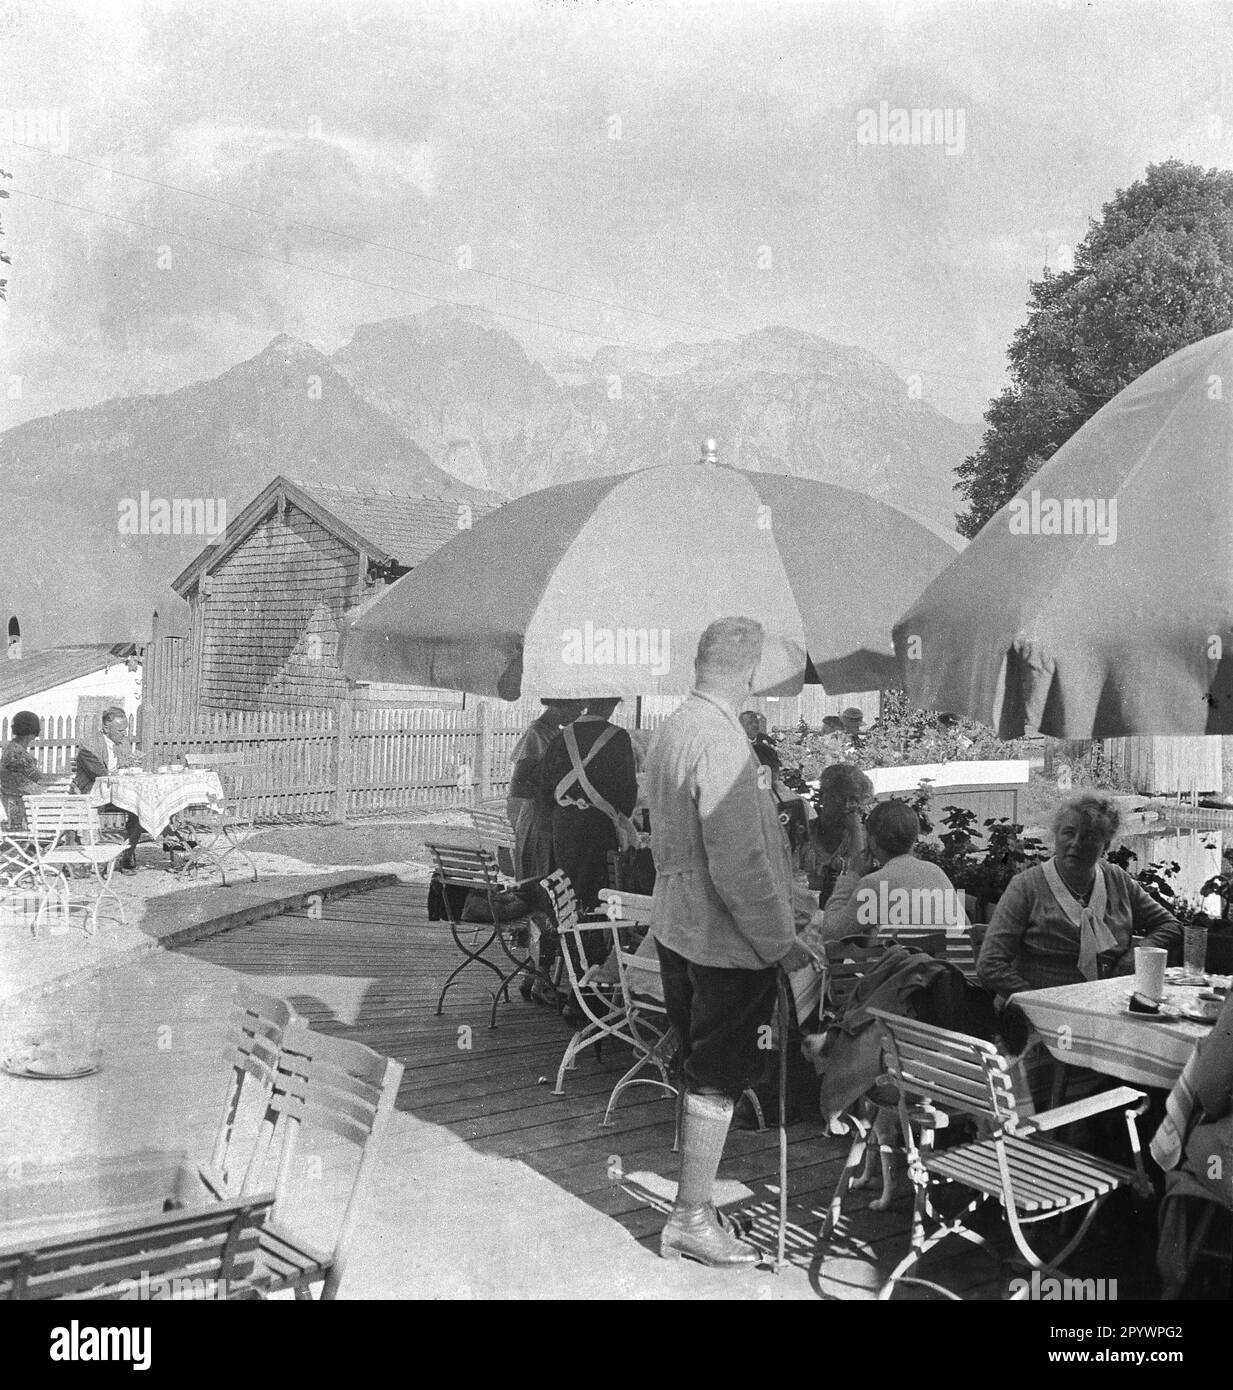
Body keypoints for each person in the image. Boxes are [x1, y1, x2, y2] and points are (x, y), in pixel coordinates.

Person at [645, 616, 820, 1268]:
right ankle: (690, 1216)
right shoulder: (721, 742)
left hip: (675, 925)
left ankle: (693, 1204)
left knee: (697, 1068)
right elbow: (739, 866)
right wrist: (781, 941)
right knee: (716, 1077)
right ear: (749, 675)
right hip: (723, 939)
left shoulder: (673, 729)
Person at [977, 792, 1182, 999]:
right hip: (1039, 1015)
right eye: (1068, 832)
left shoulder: (1117, 880)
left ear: (1106, 844)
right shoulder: (1025, 887)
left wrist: (1137, 953)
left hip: (1110, 1005)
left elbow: (1171, 925)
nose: (1076, 843)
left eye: (1089, 836)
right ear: (1055, 835)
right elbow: (990, 965)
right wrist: (1037, 1001)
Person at [539, 696, 638, 924]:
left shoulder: (561, 736)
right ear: (611, 706)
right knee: (596, 885)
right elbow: (627, 790)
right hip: (598, 824)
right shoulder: (618, 737)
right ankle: (590, 941)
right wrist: (621, 815)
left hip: (563, 822)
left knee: (565, 884)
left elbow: (545, 788)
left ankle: (564, 938)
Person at [820, 798, 967, 947]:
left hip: (905, 969)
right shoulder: (936, 872)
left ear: (872, 842)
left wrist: (851, 876)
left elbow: (830, 933)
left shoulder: (875, 884)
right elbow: (964, 927)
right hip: (950, 968)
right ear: (914, 838)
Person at [506, 699, 585, 880]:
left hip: (553, 818)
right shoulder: (536, 734)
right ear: (558, 705)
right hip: (537, 819)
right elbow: (517, 786)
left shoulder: (556, 733)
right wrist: (551, 796)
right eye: (577, 708)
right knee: (537, 875)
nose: (578, 715)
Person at [72, 706, 143, 873]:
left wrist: (132, 764)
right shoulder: (88, 746)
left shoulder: (122, 743)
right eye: (120, 730)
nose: (124, 733)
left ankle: (127, 854)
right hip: (91, 794)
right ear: (105, 728)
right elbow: (100, 775)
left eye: (125, 729)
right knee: (90, 814)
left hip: (116, 793)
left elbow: (124, 766)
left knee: (139, 809)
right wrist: (123, 770)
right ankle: (91, 860)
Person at [797, 763, 874, 908]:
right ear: (822, 796)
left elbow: (856, 877)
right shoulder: (804, 833)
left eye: (853, 800)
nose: (845, 806)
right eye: (838, 797)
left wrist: (855, 831)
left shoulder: (867, 839)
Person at [0, 710, 48, 831]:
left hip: (17, 803)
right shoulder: (18, 754)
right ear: (32, 733)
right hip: (24, 807)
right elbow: (38, 779)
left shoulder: (12, 749)